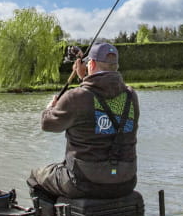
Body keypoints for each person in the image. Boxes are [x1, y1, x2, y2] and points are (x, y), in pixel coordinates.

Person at [27, 41, 139, 201]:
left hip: (84, 182)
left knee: (36, 176)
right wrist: (84, 78)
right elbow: (97, 95)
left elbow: (47, 124)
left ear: (91, 64)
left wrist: (50, 108)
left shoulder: (75, 98)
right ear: (116, 66)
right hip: (126, 180)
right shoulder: (131, 96)